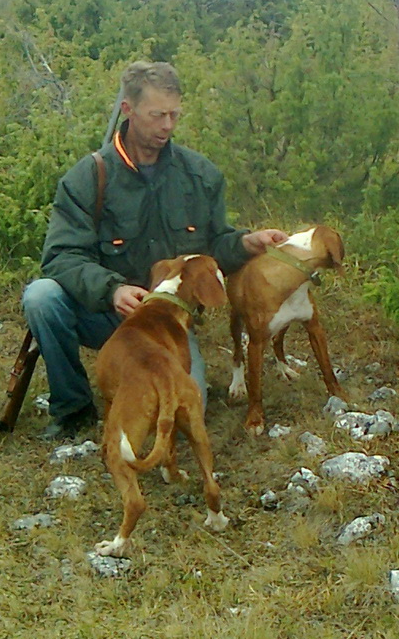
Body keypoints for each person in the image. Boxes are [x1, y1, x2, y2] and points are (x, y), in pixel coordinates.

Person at [23, 61, 287, 441]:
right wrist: (112, 290)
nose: (167, 126)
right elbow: (61, 256)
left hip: (168, 325)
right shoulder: (88, 177)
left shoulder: (200, 175)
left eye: (174, 115)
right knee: (41, 297)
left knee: (184, 415)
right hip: (106, 313)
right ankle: (73, 408)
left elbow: (213, 248)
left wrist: (246, 243)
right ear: (128, 111)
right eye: (157, 115)